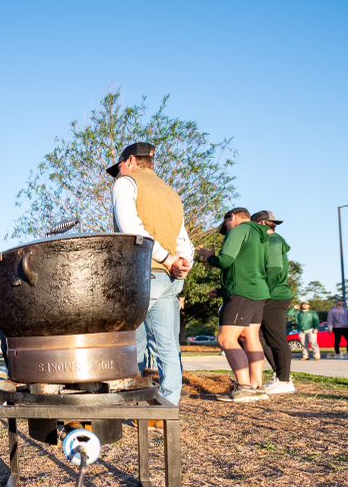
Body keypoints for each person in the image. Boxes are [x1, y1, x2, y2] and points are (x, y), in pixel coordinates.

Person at [108, 141, 193, 406]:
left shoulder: (126, 182)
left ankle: (131, 402)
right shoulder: (171, 193)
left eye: (120, 166)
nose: (118, 172)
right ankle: (169, 403)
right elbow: (183, 239)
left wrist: (167, 260)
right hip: (170, 277)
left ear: (131, 161)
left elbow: (131, 229)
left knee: (129, 342)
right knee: (167, 344)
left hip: (144, 273)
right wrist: (181, 263)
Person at [197, 208, 270, 402]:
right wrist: (223, 291)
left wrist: (210, 257)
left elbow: (226, 260)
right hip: (258, 291)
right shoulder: (262, 236)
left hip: (241, 292)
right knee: (249, 336)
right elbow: (249, 266)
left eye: (226, 226)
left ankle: (244, 387)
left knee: (226, 339)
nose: (227, 231)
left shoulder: (239, 230)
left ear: (233, 218)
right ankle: (257, 386)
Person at [252, 211, 296, 394]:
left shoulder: (273, 242)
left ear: (261, 223)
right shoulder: (269, 241)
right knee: (261, 337)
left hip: (274, 296)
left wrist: (264, 292)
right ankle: (280, 376)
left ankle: (285, 380)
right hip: (270, 295)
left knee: (276, 337)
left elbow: (275, 270)